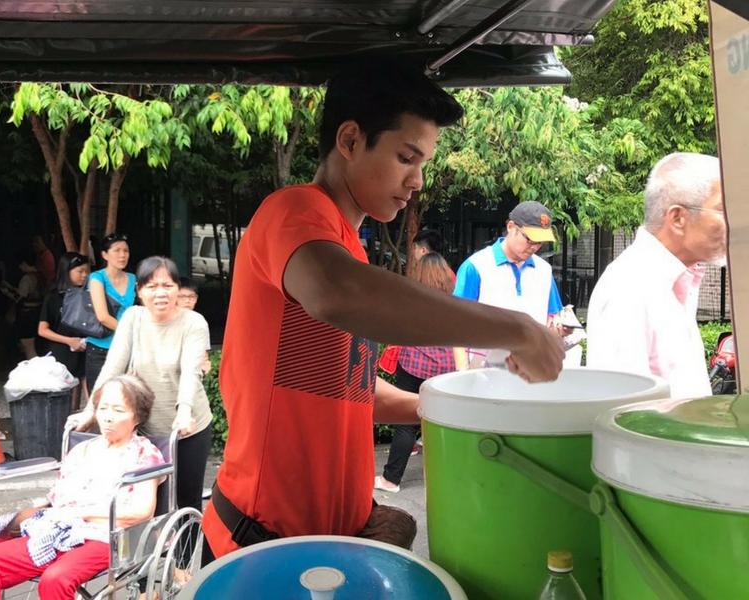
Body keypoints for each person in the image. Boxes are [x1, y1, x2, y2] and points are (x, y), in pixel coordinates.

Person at [202, 61, 565, 560]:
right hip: (266, 546)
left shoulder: (346, 244)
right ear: (350, 140)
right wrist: (519, 330)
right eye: (405, 157)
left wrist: (443, 408)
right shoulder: (294, 212)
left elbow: (345, 386)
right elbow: (338, 291)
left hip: (328, 543)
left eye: (423, 164)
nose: (416, 181)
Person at [0, 374, 164, 600]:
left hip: (108, 537)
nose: (108, 418)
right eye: (103, 408)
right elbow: (60, 497)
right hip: (57, 530)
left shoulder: (145, 454)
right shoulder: (81, 450)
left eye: (118, 410)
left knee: (56, 579)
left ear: (137, 416)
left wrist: (81, 513)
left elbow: (140, 512)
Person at [72, 257, 212, 518]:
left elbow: (190, 374)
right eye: (151, 286)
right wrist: (90, 410)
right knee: (146, 504)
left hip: (188, 427)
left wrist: (184, 411)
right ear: (139, 291)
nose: (160, 293)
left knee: (186, 502)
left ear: (177, 289)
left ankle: (186, 559)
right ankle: (153, 557)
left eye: (167, 286)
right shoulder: (133, 318)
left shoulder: (193, 323)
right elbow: (113, 366)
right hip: (144, 428)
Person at [586, 152, 725, 398]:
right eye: (722, 209)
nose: (734, 221)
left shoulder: (678, 281)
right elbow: (624, 415)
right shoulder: (628, 288)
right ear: (678, 218)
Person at [374, 253, 457, 493]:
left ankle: (391, 480)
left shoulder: (411, 297)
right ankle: (448, 477)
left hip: (414, 364)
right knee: (443, 420)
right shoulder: (452, 299)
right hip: (444, 367)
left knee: (406, 425)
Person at [452, 201, 563, 369]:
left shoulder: (544, 270)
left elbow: (553, 318)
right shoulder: (476, 266)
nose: (534, 247)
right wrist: (462, 373)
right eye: (530, 239)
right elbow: (457, 324)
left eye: (540, 242)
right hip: (484, 373)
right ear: (511, 227)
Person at [38, 252, 90, 410]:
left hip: (86, 348)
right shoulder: (54, 297)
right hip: (62, 352)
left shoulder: (89, 295)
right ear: (66, 272)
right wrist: (69, 340)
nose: (84, 275)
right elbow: (42, 330)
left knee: (93, 394)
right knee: (63, 398)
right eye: (80, 272)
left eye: (86, 271)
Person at [85, 233, 136, 393]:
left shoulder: (133, 278)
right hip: (100, 347)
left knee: (127, 397)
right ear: (105, 255)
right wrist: (131, 332)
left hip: (127, 347)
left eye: (126, 251)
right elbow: (103, 317)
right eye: (117, 250)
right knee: (100, 397)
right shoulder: (97, 278)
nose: (122, 255)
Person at [0, 250, 45, 359]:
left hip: (26, 315)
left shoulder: (27, 278)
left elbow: (19, 298)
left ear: (24, 264)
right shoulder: (40, 276)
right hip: (37, 312)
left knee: (27, 346)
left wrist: (6, 292)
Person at [178, 276, 212, 374]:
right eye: (182, 297)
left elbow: (204, 353)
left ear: (196, 299)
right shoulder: (165, 319)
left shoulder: (199, 321)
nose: (187, 301)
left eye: (191, 296)